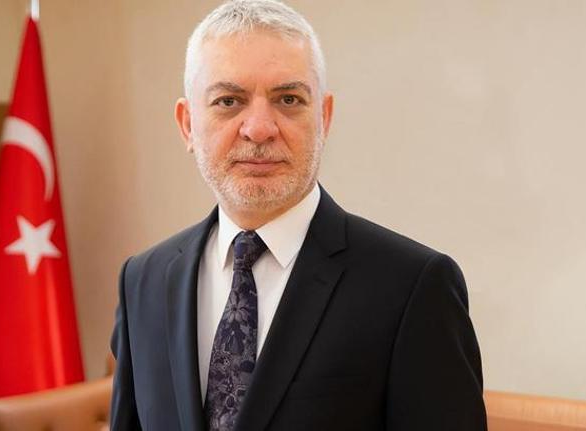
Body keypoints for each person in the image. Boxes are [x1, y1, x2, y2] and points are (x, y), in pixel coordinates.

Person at [109, 1, 486, 430]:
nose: (259, 128)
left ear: (323, 118)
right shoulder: (142, 280)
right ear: (187, 125)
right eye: (228, 101)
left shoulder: (413, 286)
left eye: (288, 99)